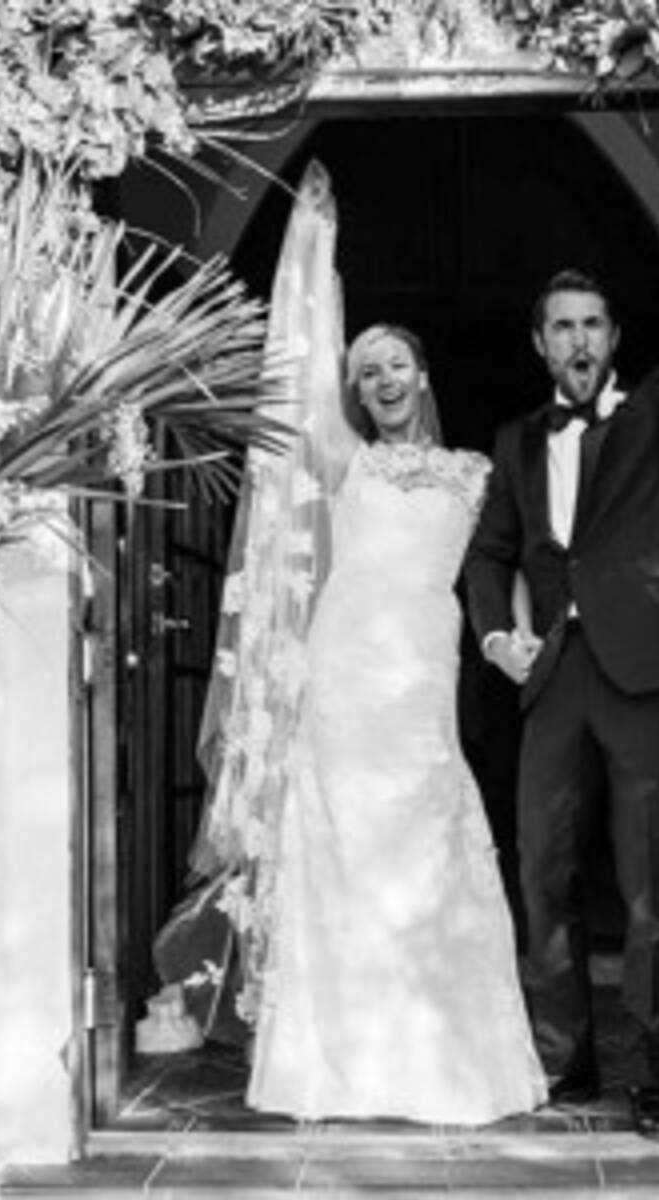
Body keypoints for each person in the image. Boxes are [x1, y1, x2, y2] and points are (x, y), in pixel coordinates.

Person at [156, 161, 546, 1125]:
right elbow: (300, 368)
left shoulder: (474, 473)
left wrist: (520, 634)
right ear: (357, 391)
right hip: (341, 677)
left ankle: (442, 1059)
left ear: (423, 375)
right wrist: (314, 246)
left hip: (421, 680)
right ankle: (334, 1063)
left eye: (395, 365)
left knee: (428, 839)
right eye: (366, 371)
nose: (382, 380)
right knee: (339, 844)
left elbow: (510, 560)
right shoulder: (343, 460)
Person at [464, 194, 659, 1135]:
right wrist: (497, 637)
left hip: (647, 674)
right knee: (542, 874)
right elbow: (489, 552)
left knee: (651, 887)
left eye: (593, 324)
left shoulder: (653, 414)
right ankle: (566, 1063)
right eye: (562, 326)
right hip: (554, 677)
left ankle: (652, 1074)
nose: (579, 339)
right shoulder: (516, 441)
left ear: (613, 337)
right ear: (540, 344)